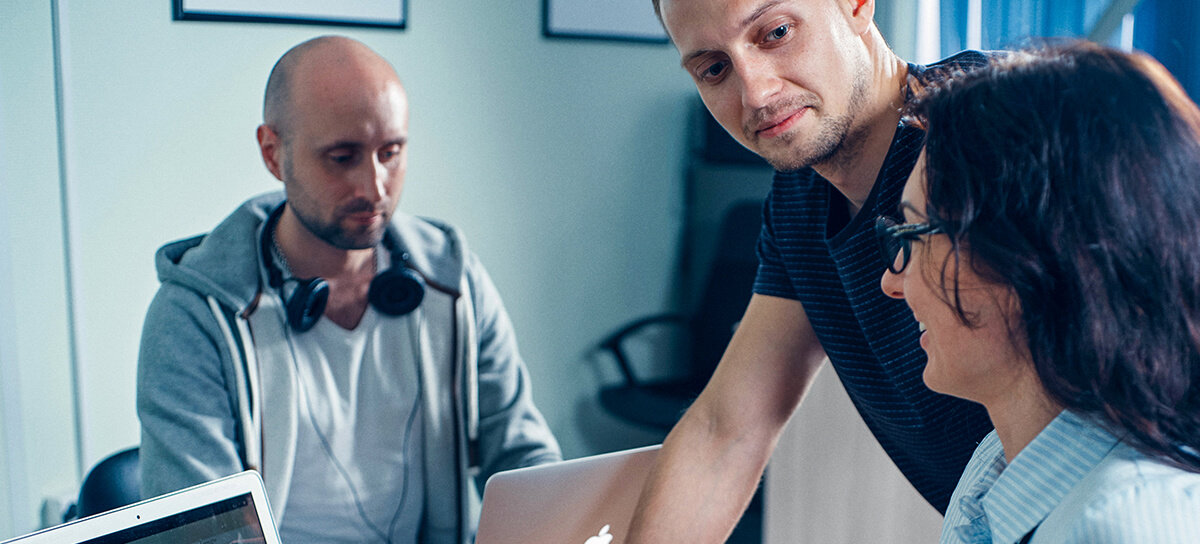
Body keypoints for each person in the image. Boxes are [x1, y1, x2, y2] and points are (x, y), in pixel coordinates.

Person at [136, 36, 561, 544]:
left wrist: (559, 519)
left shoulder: (454, 282)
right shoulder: (194, 317)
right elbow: (204, 535)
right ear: (273, 154)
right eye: (343, 157)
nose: (376, 188)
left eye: (391, 152)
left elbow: (524, 461)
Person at [626, 0, 996, 541]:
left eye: (775, 32)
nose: (756, 94)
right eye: (714, 68)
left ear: (856, 6)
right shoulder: (799, 200)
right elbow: (726, 432)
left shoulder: (1002, 127)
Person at [880, 41, 1200, 542]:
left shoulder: (1128, 522)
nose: (890, 282)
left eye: (915, 235)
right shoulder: (996, 465)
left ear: (1031, 258)